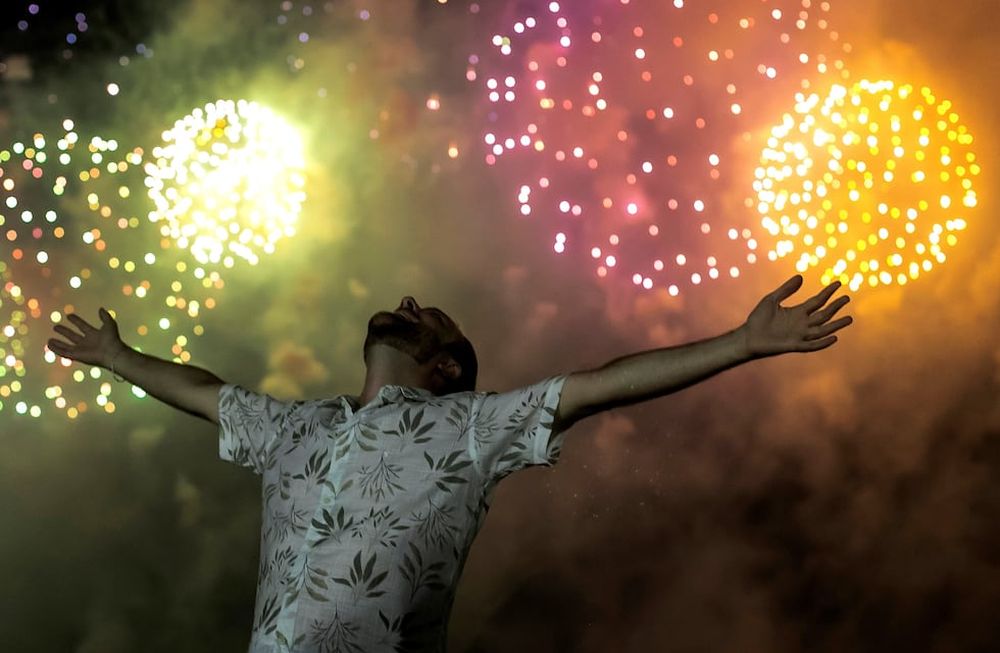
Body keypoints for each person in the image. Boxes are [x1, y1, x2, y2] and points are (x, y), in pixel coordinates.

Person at [47, 274, 852, 652]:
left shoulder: (470, 425)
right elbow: (203, 389)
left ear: (445, 369)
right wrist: (122, 357)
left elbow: (600, 382)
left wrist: (743, 344)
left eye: (426, 317)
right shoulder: (293, 428)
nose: (405, 302)